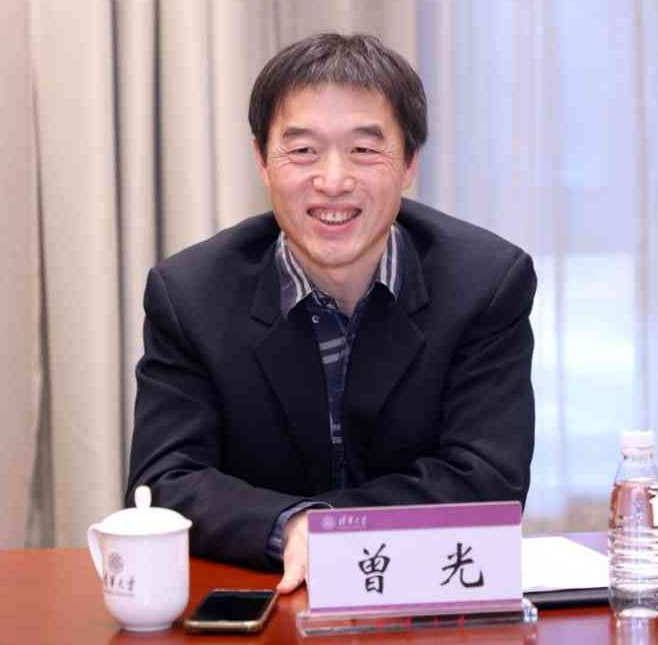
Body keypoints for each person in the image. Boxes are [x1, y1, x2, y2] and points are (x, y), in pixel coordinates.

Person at [125, 33, 536, 594]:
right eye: (303, 151)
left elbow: (489, 481)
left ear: (410, 162)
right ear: (262, 161)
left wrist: (327, 529)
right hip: (263, 597)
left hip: (424, 602)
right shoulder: (191, 294)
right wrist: (287, 528)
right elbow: (164, 482)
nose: (334, 181)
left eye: (364, 150)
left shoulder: (485, 284)